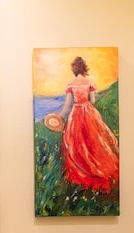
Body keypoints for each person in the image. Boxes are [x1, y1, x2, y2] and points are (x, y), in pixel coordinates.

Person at [54, 56, 119, 193]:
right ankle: (97, 166)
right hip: (88, 112)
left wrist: (59, 116)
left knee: (75, 142)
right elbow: (93, 101)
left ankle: (82, 169)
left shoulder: (70, 84)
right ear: (84, 69)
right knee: (93, 141)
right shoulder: (89, 82)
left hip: (76, 113)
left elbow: (67, 105)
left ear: (74, 69)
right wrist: (86, 105)